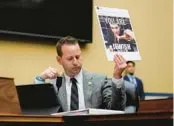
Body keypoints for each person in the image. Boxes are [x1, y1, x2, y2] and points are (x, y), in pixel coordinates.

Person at [34, 36, 127, 112]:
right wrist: (40, 78)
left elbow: (116, 109)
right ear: (59, 60)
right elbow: (40, 109)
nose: (75, 62)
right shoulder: (54, 84)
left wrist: (117, 76)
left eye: (78, 57)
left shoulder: (100, 80)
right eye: (70, 58)